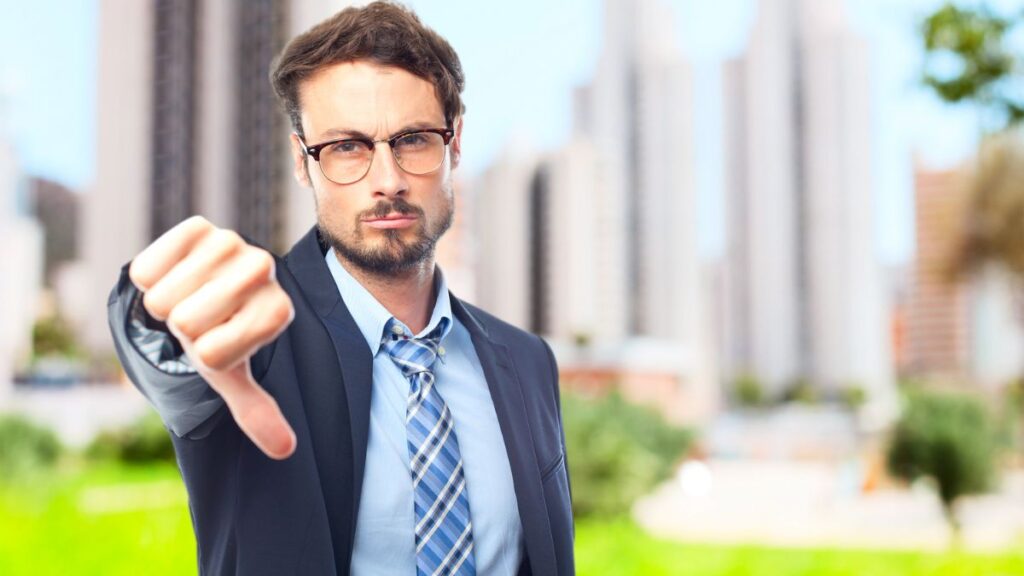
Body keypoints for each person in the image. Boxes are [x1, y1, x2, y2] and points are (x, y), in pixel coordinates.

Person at [105, 2, 574, 575]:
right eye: (347, 147)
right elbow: (164, 348)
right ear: (303, 163)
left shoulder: (526, 362)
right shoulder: (259, 342)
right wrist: (154, 312)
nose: (388, 181)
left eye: (414, 139)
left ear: (454, 145)